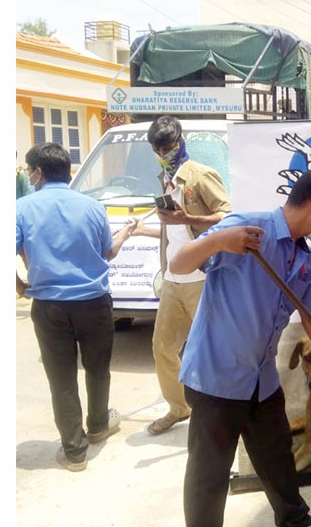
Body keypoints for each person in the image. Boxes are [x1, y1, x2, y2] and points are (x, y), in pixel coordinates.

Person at [169, 169, 311, 527]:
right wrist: (219, 241)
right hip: (217, 377)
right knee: (209, 473)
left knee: (277, 457)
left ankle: (296, 521)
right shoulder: (247, 229)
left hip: (261, 380)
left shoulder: (302, 258)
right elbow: (178, 264)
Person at [16, 143, 134, 472]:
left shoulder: (21, 208)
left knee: (61, 378)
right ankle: (97, 426)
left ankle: (74, 453)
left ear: (39, 173)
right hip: (94, 302)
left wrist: (20, 287)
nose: (30, 176)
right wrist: (124, 234)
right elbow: (108, 252)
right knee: (97, 368)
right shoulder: (93, 207)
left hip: (49, 306)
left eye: (30, 171)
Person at [128, 115, 233, 436]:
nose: (163, 154)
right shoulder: (165, 178)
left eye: (168, 147)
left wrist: (188, 218)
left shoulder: (200, 175)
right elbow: (173, 230)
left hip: (202, 277)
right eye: (157, 149)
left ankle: (223, 413)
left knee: (212, 349)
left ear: (180, 142)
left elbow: (229, 216)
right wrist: (144, 230)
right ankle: (178, 407)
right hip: (173, 280)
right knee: (162, 347)